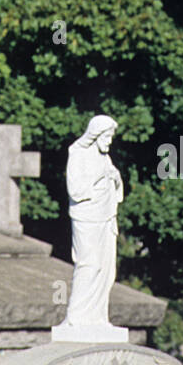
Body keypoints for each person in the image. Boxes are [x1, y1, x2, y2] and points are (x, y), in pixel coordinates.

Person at [60, 115, 123, 329]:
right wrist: (100, 176)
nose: (110, 140)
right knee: (89, 264)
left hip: (105, 216)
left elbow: (115, 185)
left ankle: (97, 318)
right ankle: (76, 317)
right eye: (106, 136)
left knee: (106, 268)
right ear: (95, 135)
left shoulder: (105, 157)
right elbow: (75, 190)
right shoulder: (77, 153)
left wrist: (115, 178)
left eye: (111, 136)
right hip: (86, 217)